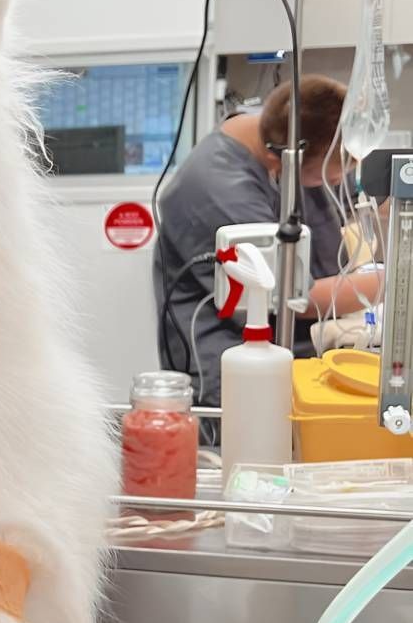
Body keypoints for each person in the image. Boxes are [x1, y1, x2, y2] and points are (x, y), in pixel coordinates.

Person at [153, 75, 381, 407]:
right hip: (233, 372)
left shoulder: (281, 129)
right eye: (330, 176)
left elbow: (343, 196)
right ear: (286, 157)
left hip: (283, 359)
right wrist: (394, 281)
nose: (335, 183)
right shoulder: (220, 189)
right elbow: (292, 295)